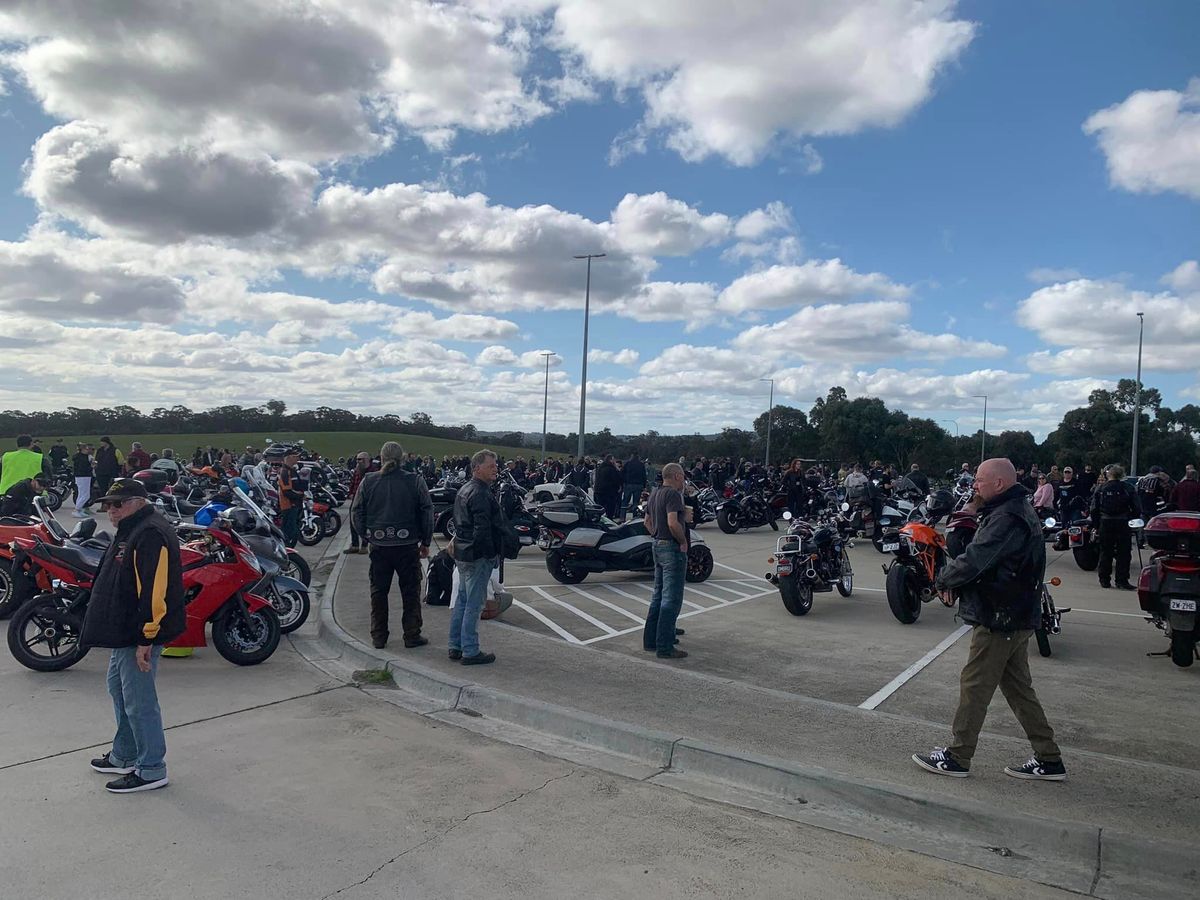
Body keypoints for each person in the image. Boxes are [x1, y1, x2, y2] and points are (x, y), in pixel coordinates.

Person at [912, 458, 1064, 781]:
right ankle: (1049, 758)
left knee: (975, 685)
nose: (974, 485)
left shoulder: (1007, 517)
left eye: (980, 480)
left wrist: (942, 580)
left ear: (999, 484)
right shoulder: (1013, 509)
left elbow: (977, 558)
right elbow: (988, 562)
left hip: (1001, 617)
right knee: (1019, 689)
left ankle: (957, 756)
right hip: (1014, 615)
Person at [80, 478, 186, 793]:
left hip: (138, 633)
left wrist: (147, 636)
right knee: (118, 689)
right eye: (107, 505)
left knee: (139, 701)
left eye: (118, 503)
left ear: (138, 502)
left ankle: (152, 767)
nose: (110, 510)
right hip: (124, 630)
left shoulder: (150, 533)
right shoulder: (131, 528)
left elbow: (155, 589)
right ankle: (124, 753)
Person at [351, 442, 432, 650]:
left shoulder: (369, 481)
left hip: (379, 545)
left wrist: (366, 535)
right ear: (403, 458)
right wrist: (426, 541)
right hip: (407, 544)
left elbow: (356, 511)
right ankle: (411, 634)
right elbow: (426, 511)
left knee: (378, 592)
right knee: (411, 591)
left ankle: (379, 636)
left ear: (381, 457)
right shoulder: (415, 481)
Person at [449, 450, 504, 665]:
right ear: (477, 468)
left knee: (462, 600)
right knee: (473, 603)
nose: (495, 469)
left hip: (464, 553)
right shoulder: (480, 493)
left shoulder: (465, 488)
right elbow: (482, 529)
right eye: (491, 465)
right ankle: (470, 650)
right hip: (476, 556)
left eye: (496, 465)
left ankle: (455, 645)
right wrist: (490, 553)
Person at [641, 462, 690, 660]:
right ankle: (665, 646)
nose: (684, 481)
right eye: (683, 477)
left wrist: (656, 535)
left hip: (657, 545)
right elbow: (672, 522)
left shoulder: (655, 493)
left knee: (658, 595)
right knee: (672, 598)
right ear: (677, 476)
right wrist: (683, 541)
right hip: (671, 547)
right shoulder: (672, 495)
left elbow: (647, 521)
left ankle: (651, 640)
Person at [1091, 464, 1141, 590]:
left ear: (1109, 475)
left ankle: (1104, 580)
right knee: (1123, 553)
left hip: (1105, 522)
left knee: (1105, 552)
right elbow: (1137, 508)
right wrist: (1131, 520)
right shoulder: (1128, 488)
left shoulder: (1101, 488)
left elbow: (1094, 509)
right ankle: (1122, 580)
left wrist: (1096, 525)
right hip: (1123, 523)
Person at [344, 451, 377, 555]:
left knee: (366, 522)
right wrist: (350, 493)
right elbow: (353, 482)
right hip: (356, 498)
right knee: (353, 520)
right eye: (357, 459)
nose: (358, 461)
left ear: (367, 460)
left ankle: (364, 545)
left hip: (367, 500)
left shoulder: (373, 471)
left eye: (360, 459)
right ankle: (354, 545)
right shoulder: (357, 470)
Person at [277, 450, 304, 548]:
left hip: (294, 505)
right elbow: (287, 491)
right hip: (288, 506)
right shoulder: (285, 472)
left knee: (293, 532)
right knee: (289, 532)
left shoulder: (292, 471)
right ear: (288, 458)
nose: (298, 458)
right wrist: (301, 496)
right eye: (295, 456)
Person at [593, 454, 622, 519]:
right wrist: (617, 469)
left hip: (598, 491)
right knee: (610, 508)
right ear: (610, 460)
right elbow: (616, 480)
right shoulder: (611, 469)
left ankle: (599, 519)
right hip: (609, 492)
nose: (614, 461)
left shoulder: (600, 468)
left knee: (599, 507)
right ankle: (609, 519)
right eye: (613, 459)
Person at [621, 451, 648, 521]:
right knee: (636, 502)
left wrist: (623, 483)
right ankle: (634, 518)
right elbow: (644, 476)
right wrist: (644, 486)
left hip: (628, 484)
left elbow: (622, 473)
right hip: (638, 485)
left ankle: (622, 517)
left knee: (625, 501)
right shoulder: (641, 465)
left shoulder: (627, 463)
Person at [71, 442, 94, 517]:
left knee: (81, 494)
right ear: (82, 449)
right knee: (86, 495)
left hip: (80, 476)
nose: (88, 450)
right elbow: (83, 468)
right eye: (86, 449)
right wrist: (91, 466)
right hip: (84, 476)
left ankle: (79, 509)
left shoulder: (78, 457)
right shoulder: (83, 458)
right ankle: (77, 509)